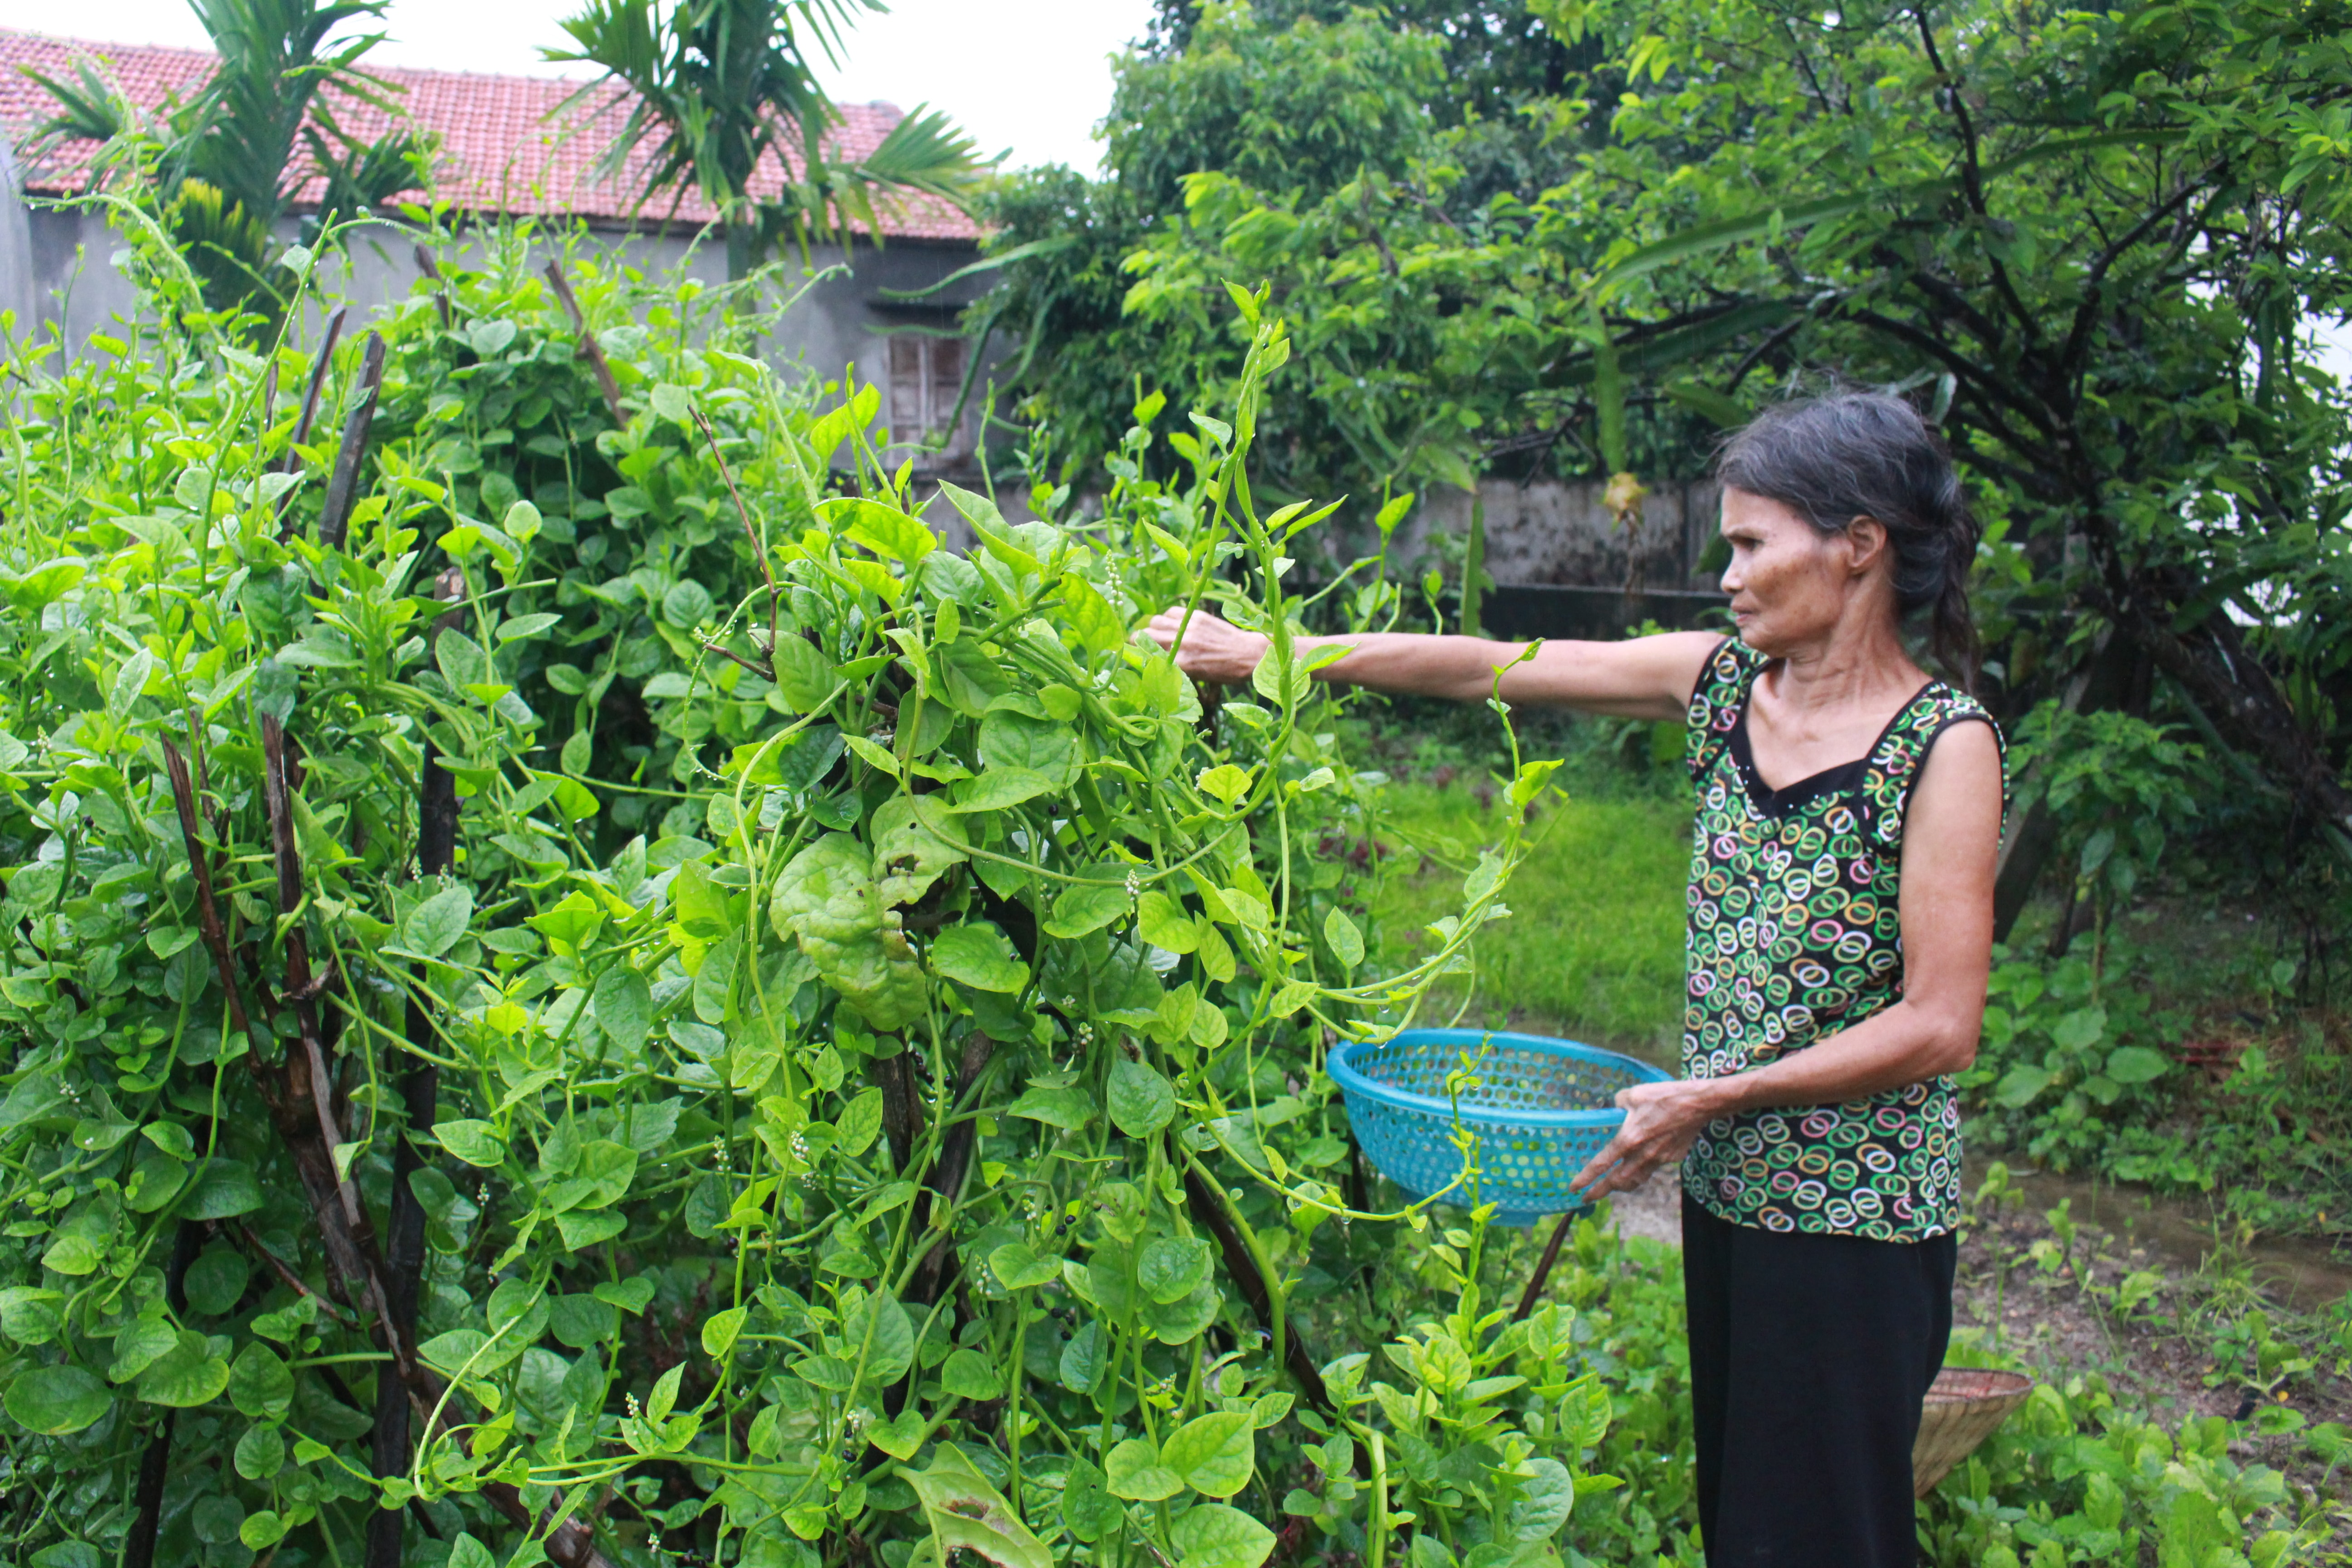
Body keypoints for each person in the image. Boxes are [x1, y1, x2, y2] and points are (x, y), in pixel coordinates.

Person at [1148, 391, 2005, 1568]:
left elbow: (1942, 1021)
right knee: (1752, 1519)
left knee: (1834, 1537)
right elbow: (1494, 666)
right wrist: (1267, 656)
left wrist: (1720, 1095)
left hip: (1855, 1223)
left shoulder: (1941, 745)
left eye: (1755, 544)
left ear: (1858, 546)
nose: (1733, 575)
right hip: (1731, 1196)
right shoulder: (1720, 684)